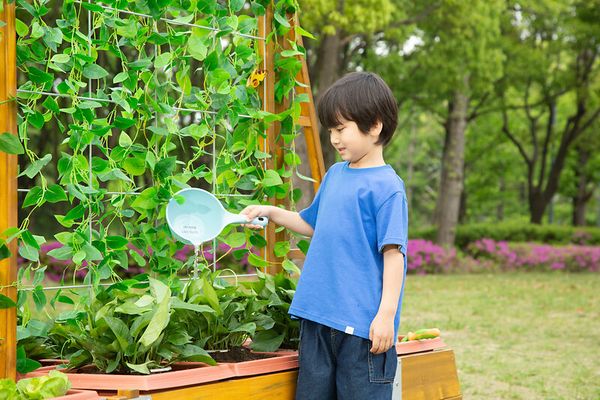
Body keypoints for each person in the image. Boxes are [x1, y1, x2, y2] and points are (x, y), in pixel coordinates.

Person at [241, 71, 408, 400]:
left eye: (341, 128)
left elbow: (394, 254)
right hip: (317, 318)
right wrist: (272, 212)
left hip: (362, 331)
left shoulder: (388, 188)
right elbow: (312, 223)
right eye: (331, 129)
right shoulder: (334, 175)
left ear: (374, 125)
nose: (334, 138)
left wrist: (386, 315)